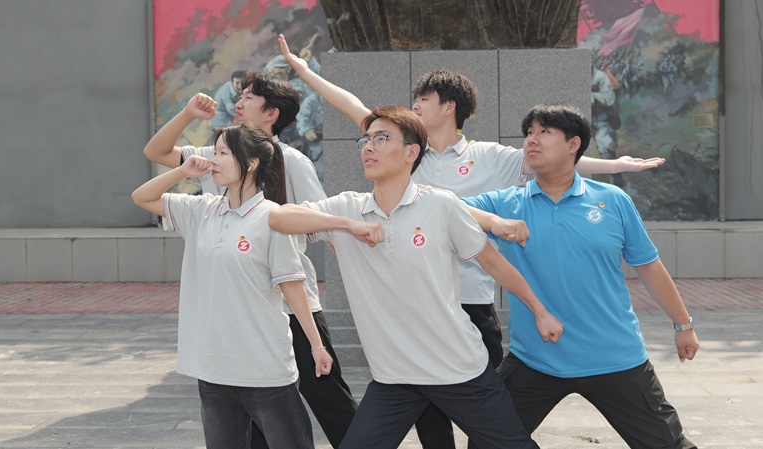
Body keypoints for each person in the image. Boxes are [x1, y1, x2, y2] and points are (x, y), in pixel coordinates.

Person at [277, 33, 667, 448]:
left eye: (423, 100)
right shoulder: (396, 152)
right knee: (431, 422)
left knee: (486, 418)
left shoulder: (487, 157)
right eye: (370, 138)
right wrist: (305, 72)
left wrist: (616, 164)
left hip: (469, 305)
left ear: (449, 107)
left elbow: (555, 160)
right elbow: (351, 106)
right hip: (408, 314)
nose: (414, 107)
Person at [269, 105, 562, 449]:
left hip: (458, 369)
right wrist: (346, 225)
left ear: (411, 152)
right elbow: (279, 218)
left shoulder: (441, 205)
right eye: (365, 140)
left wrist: (540, 311)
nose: (368, 147)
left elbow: (494, 263)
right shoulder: (347, 208)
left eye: (382, 138)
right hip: (394, 378)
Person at [462, 104, 700, 449]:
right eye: (529, 133)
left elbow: (649, 266)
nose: (532, 140)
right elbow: (443, 207)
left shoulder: (613, 201)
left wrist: (683, 325)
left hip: (614, 358)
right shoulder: (506, 203)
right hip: (535, 359)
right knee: (487, 442)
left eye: (545, 132)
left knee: (668, 445)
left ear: (574, 144)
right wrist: (493, 222)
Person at [142, 71, 358, 449]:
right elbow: (155, 153)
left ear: (272, 113)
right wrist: (188, 114)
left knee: (325, 394)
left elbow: (321, 222)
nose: (238, 103)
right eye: (239, 96)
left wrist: (357, 276)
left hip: (291, 296)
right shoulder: (215, 154)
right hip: (240, 299)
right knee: (248, 406)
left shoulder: (294, 162)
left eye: (248, 98)